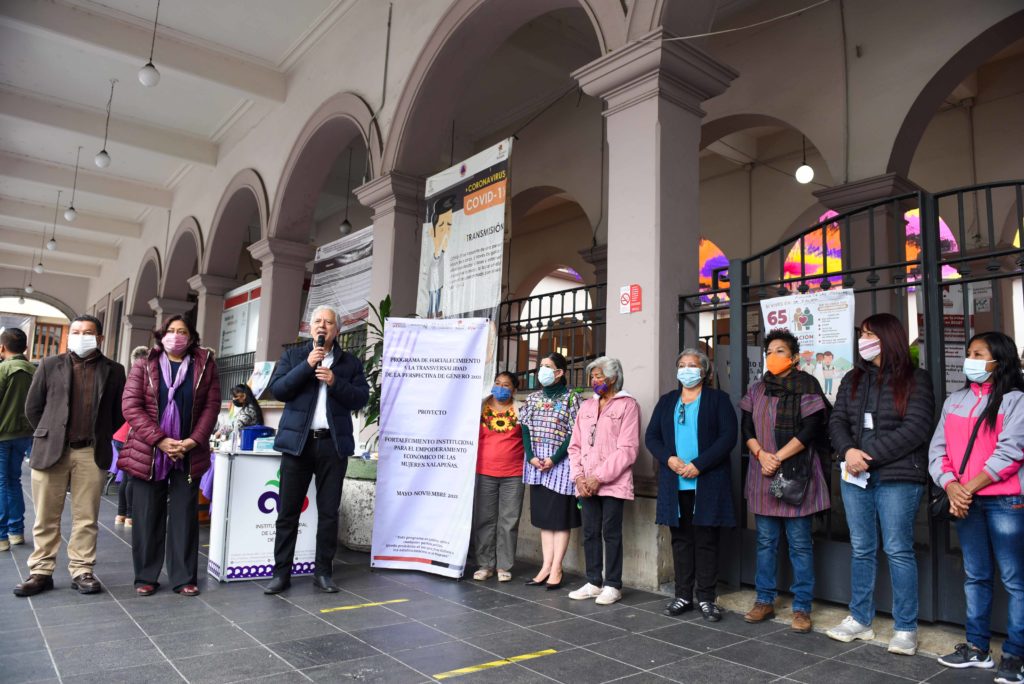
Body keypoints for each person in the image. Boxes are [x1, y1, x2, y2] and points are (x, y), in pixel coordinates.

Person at [825, 312, 936, 655]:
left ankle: (905, 627)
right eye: (862, 334)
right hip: (855, 476)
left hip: (898, 477)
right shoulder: (852, 378)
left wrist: (866, 457)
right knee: (861, 548)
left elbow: (916, 429)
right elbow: (837, 420)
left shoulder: (916, 379)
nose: (863, 340)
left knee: (898, 549)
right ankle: (860, 619)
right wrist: (848, 451)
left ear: (889, 338)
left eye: (870, 334)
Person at [929, 332, 1024, 683]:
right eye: (969, 352)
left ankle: (1015, 655)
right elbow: (937, 449)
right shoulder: (955, 401)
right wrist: (951, 486)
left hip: (1004, 501)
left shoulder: (1015, 401)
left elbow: (1011, 452)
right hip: (964, 501)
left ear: (999, 360)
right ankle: (977, 648)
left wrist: (965, 489)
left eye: (979, 353)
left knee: (1015, 580)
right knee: (976, 575)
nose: (970, 359)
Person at [14, 315, 125, 597]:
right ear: (69, 335)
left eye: (88, 332)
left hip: (90, 451)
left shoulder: (114, 370)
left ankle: (82, 569)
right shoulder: (49, 365)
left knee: (86, 517)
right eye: (76, 331)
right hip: (52, 449)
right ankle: (41, 571)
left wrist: (100, 434)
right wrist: (49, 433)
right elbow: (33, 407)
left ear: (99, 338)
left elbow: (118, 414)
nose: (81, 336)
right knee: (45, 516)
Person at [263, 305, 369, 594]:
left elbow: (360, 398)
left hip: (332, 445)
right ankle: (281, 574)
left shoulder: (350, 363)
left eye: (328, 322)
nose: (322, 326)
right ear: (310, 328)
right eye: (318, 321)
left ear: (337, 330)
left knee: (329, 512)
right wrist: (306, 366)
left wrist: (335, 382)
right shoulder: (294, 356)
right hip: (298, 445)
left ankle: (323, 572)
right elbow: (279, 390)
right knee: (288, 512)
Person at [118, 315, 220, 596]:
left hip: (189, 453)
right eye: (171, 331)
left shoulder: (205, 366)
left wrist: (192, 441)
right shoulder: (143, 364)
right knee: (147, 515)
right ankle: (145, 576)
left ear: (192, 337)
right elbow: (131, 406)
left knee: (184, 516)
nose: (176, 336)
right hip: (149, 452)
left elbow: (211, 407)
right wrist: (160, 440)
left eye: (182, 331)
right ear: (161, 336)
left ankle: (184, 577)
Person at [739, 329, 830, 633]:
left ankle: (802, 607)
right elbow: (746, 427)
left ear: (794, 357)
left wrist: (777, 457)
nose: (773, 356)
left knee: (800, 545)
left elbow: (811, 428)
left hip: (796, 474)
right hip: (762, 472)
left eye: (780, 351)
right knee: (766, 542)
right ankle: (764, 600)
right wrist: (761, 454)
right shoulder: (757, 390)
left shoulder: (807, 386)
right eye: (769, 351)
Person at [645, 348, 737, 622]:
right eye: (682, 365)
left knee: (706, 540)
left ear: (705, 371)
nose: (687, 369)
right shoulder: (667, 401)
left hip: (707, 481)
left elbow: (728, 437)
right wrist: (669, 458)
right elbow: (652, 437)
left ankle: (706, 597)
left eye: (693, 365)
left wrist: (699, 464)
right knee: (681, 540)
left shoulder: (718, 400)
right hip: (675, 483)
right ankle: (683, 595)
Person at [567, 356, 640, 606]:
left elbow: (628, 449)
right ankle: (593, 582)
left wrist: (598, 477)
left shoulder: (628, 405)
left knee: (611, 533)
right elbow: (575, 446)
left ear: (613, 377)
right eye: (592, 377)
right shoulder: (587, 406)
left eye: (599, 376)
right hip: (585, 483)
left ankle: (613, 585)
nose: (594, 381)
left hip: (613, 482)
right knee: (590, 532)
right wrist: (579, 477)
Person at [519, 352, 581, 590]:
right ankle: (545, 566)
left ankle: (557, 567)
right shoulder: (533, 398)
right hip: (536, 464)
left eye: (547, 366)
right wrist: (531, 456)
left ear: (559, 372)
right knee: (545, 519)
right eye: (541, 366)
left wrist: (554, 458)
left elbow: (574, 433)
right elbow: (525, 429)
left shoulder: (572, 399)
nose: (541, 370)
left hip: (561, 464)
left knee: (559, 519)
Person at [472, 371, 525, 582]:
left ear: (514, 389)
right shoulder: (480, 407)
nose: (500, 388)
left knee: (509, 521)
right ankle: (485, 564)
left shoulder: (521, 409)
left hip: (514, 473)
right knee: (484, 519)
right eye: (497, 383)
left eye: (506, 385)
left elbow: (528, 440)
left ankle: (504, 565)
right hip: (484, 470)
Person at [0, 327, 35, 553]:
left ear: (2, 348)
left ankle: (1, 535)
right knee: (13, 480)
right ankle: (16, 531)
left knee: (2, 482)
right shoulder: (36, 370)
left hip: (2, 435)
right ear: (26, 348)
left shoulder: (2, 369)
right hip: (25, 435)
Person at [113, 345, 149, 527]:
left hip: (120, 435)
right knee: (132, 478)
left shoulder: (129, 381)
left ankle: (121, 514)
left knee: (126, 477)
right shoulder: (141, 384)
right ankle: (130, 515)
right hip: (130, 435)